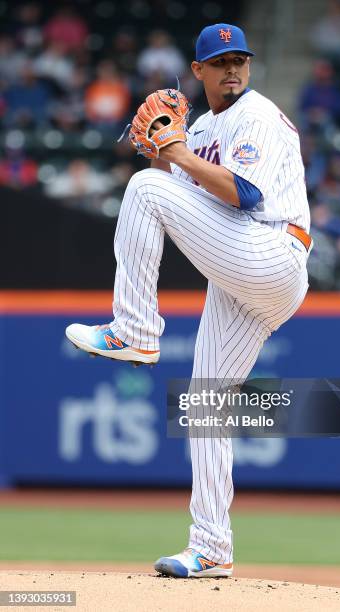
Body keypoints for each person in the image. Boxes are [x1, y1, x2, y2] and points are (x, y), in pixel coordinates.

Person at [66, 23, 311, 578]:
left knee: (142, 190)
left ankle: (135, 330)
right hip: (242, 279)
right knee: (206, 404)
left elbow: (243, 194)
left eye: (239, 60)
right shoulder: (200, 128)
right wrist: (161, 150)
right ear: (198, 71)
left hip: (272, 249)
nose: (232, 70)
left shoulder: (257, 115)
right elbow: (174, 194)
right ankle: (211, 546)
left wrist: (173, 155)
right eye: (220, 61)